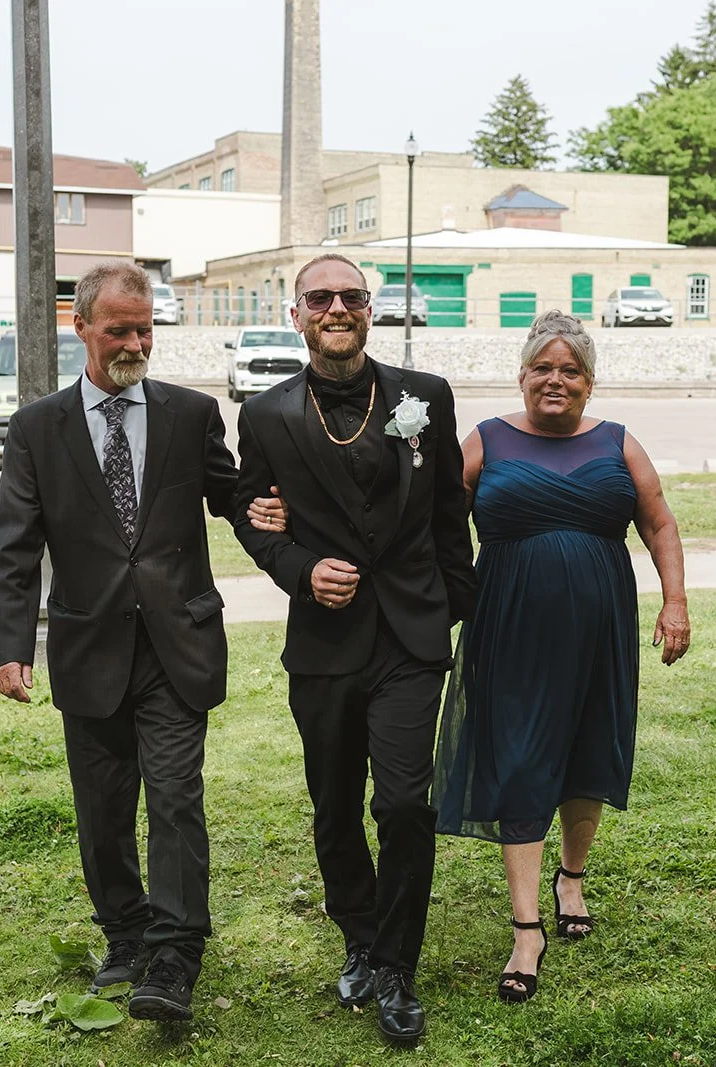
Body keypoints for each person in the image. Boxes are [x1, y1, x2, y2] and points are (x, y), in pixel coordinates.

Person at [0, 262, 242, 1025]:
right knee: (102, 812)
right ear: (82, 327)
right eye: (120, 329)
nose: (136, 342)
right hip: (87, 648)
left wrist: (295, 508)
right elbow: (15, 546)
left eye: (145, 329)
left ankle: (174, 952)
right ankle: (125, 934)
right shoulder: (38, 429)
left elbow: (239, 498)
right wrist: (10, 644)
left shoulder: (192, 415)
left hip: (177, 646)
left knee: (174, 800)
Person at [231, 252, 476, 1046]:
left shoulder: (423, 397)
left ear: (370, 311)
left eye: (352, 296)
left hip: (411, 635)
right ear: (297, 313)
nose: (338, 307)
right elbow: (249, 513)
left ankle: (397, 966)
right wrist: (301, 570)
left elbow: (449, 512)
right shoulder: (266, 416)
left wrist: (457, 606)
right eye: (321, 297)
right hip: (325, 643)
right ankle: (360, 935)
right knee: (334, 806)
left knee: (405, 802)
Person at [430, 309, 691, 1003]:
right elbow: (433, 524)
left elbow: (658, 520)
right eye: (542, 368)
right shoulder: (485, 440)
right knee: (518, 756)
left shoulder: (619, 443)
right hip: (510, 629)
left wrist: (675, 602)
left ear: (589, 382)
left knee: (586, 750)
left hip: (598, 629)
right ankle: (526, 927)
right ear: (521, 375)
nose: (555, 380)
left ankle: (570, 876)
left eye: (569, 370)